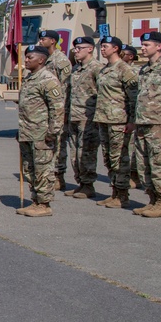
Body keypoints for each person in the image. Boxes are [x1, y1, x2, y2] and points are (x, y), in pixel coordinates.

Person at [17, 44, 65, 217]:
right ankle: (35, 200)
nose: (26, 60)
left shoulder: (48, 79)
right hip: (28, 131)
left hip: (42, 133)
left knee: (43, 169)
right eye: (26, 57)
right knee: (30, 168)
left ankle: (44, 204)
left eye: (30, 57)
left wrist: (53, 131)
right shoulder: (30, 78)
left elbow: (57, 108)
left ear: (42, 60)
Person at [93, 36, 138, 209]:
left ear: (116, 49)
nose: (102, 49)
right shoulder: (104, 70)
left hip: (119, 121)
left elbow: (133, 98)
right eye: (102, 46)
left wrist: (132, 121)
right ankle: (114, 192)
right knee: (108, 158)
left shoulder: (125, 70)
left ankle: (123, 195)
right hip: (104, 119)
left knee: (120, 158)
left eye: (106, 46)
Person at [131, 31, 161, 218]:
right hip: (142, 124)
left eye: (147, 45)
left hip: (158, 125)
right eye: (143, 45)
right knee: (143, 165)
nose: (143, 48)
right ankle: (152, 200)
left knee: (160, 165)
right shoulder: (144, 69)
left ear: (159, 46)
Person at [63, 37, 103, 199]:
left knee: (86, 152)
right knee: (75, 153)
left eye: (80, 48)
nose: (76, 51)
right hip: (74, 116)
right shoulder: (76, 69)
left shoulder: (97, 68)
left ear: (90, 49)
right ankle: (80, 182)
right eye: (75, 49)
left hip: (89, 118)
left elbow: (103, 94)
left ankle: (88, 185)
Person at [37, 30, 72, 192]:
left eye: (43, 39)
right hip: (44, 110)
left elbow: (64, 88)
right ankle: (49, 175)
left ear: (52, 41)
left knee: (58, 144)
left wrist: (62, 113)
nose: (40, 42)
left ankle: (59, 176)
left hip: (57, 109)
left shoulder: (61, 61)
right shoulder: (44, 60)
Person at [121, 44, 144, 188]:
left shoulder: (136, 72)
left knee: (134, 147)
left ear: (130, 56)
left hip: (136, 114)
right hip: (122, 113)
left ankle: (134, 174)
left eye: (124, 53)